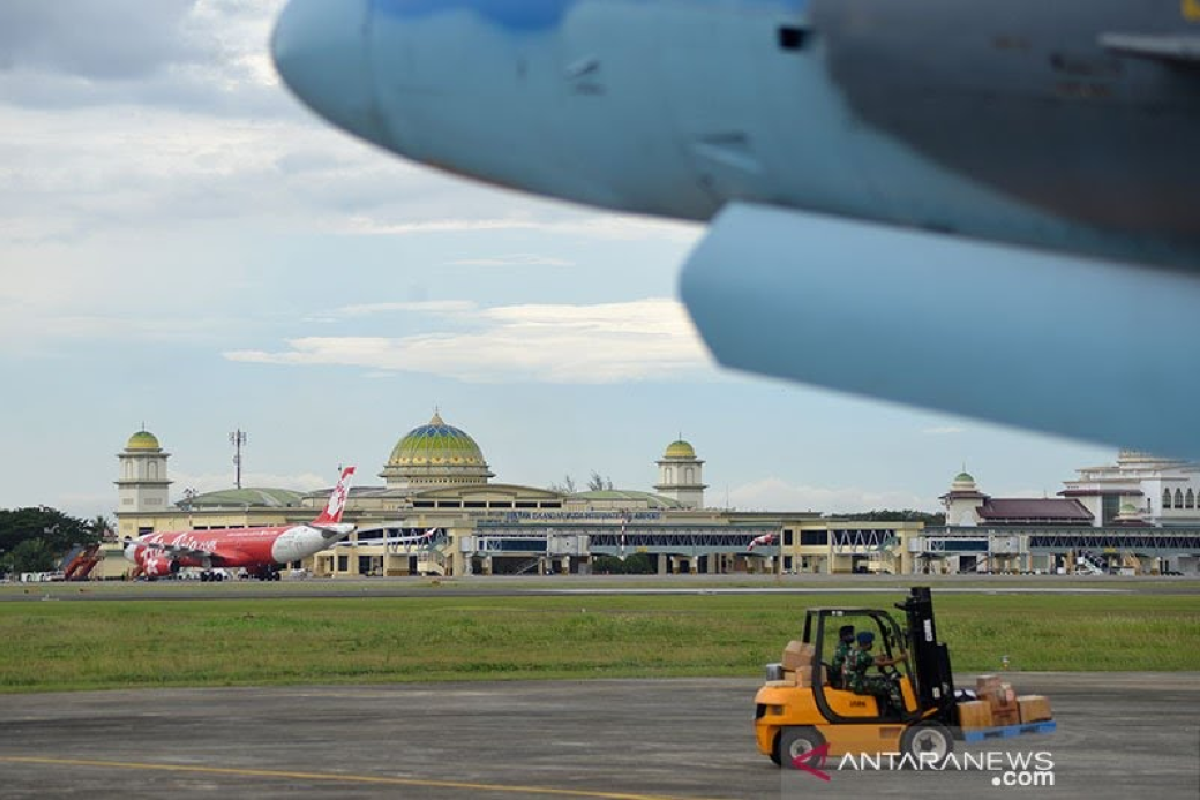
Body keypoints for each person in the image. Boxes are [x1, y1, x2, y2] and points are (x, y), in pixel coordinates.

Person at [848, 631, 905, 715]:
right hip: (858, 684)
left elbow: (870, 660)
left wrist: (880, 657)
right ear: (866, 643)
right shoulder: (863, 656)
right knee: (891, 686)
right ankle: (900, 711)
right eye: (870, 642)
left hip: (853, 682)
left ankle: (883, 708)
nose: (871, 645)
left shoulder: (852, 652)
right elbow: (883, 664)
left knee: (881, 678)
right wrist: (900, 659)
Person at [829, 625, 855, 689]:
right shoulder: (842, 648)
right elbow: (856, 658)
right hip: (839, 681)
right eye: (850, 634)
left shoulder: (845, 647)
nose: (852, 636)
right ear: (843, 636)